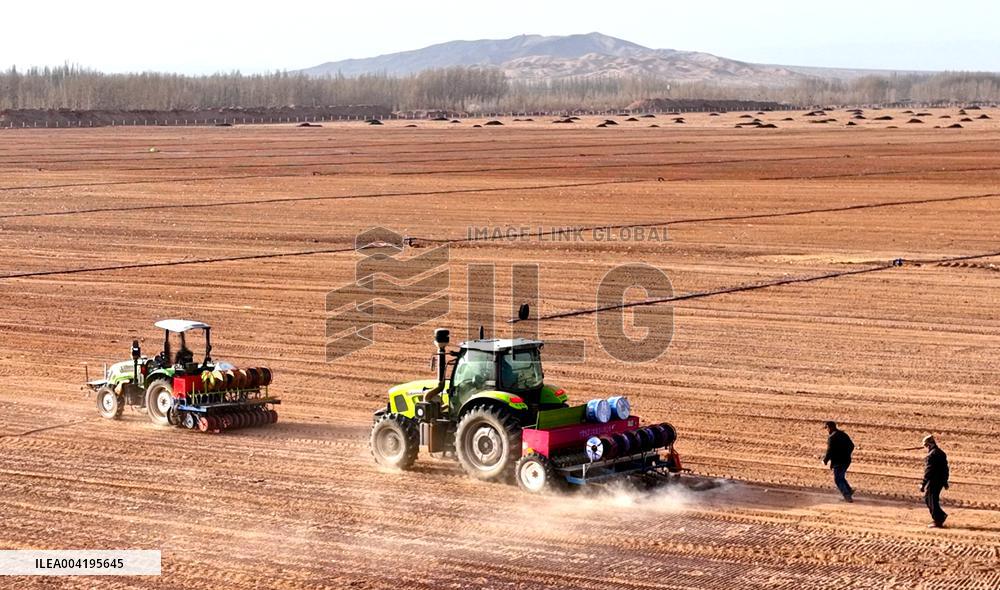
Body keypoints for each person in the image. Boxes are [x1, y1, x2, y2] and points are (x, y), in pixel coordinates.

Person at [921, 435, 950, 528]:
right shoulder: (941, 453)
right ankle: (939, 517)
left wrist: (923, 484)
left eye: (926, 446)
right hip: (941, 481)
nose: (926, 448)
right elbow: (946, 469)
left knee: (929, 499)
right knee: (933, 499)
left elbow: (928, 471)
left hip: (933, 481)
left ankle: (939, 518)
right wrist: (945, 482)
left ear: (929, 445)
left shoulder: (931, 455)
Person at [822, 421, 855, 502]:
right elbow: (852, 445)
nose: (827, 430)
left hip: (838, 462)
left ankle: (847, 496)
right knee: (841, 477)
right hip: (847, 460)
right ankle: (849, 490)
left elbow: (829, 451)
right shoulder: (843, 434)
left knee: (838, 479)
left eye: (827, 428)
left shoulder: (831, 438)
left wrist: (825, 460)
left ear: (830, 427)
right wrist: (847, 454)